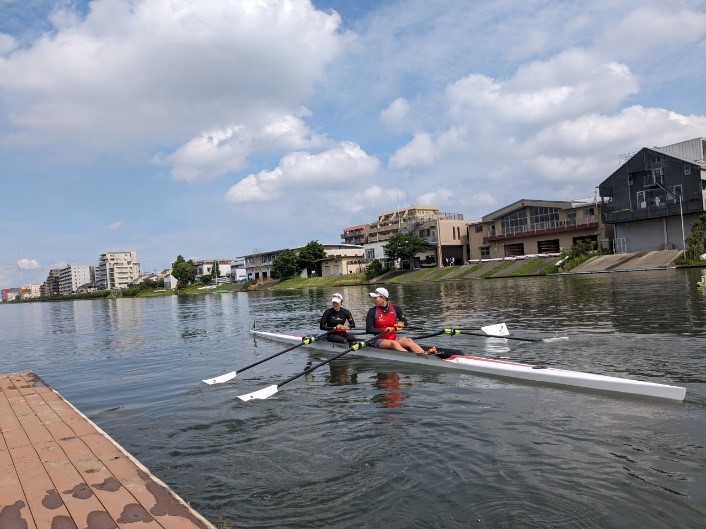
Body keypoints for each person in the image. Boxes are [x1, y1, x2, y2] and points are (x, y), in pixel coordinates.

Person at [365, 287, 428, 353]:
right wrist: (384, 330)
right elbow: (368, 329)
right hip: (379, 340)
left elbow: (405, 323)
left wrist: (401, 324)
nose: (374, 300)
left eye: (375, 298)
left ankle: (425, 354)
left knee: (408, 340)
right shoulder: (372, 311)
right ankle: (411, 357)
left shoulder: (396, 309)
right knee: (394, 344)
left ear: (383, 298)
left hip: (393, 338)